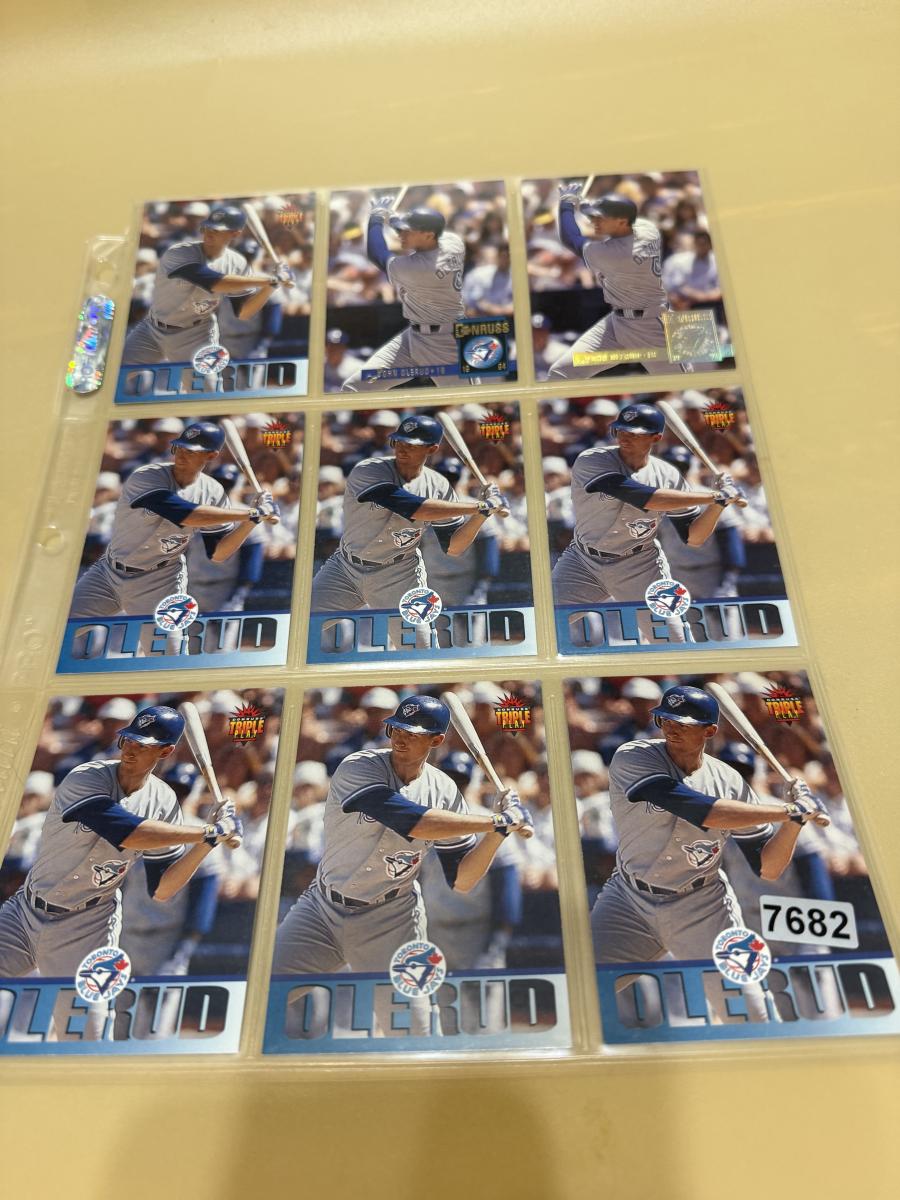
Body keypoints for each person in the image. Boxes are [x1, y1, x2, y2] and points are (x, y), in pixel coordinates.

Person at [271, 695, 533, 1035]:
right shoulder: (359, 766)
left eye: (413, 733)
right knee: (262, 991)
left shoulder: (444, 790)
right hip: (322, 910)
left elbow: (463, 880)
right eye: (397, 729)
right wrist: (493, 820)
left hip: (392, 920)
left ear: (436, 741)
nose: (400, 738)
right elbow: (413, 821)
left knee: (416, 1030)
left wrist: (499, 833)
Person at [0, 707, 242, 1037]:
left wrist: (207, 844)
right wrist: (207, 831)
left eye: (143, 745)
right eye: (129, 740)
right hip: (27, 910)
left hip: (89, 927)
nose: (130, 749)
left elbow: (163, 889)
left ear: (165, 752)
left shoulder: (164, 802)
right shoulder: (87, 776)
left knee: (90, 1032)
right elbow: (129, 832)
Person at [591, 685, 829, 1017]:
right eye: (665, 719)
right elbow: (702, 810)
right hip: (629, 899)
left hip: (703, 907)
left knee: (754, 1012)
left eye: (683, 723)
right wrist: (786, 810)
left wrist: (795, 822)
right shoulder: (635, 755)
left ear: (710, 731)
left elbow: (769, 868)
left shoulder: (730, 782)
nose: (671, 728)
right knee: (580, 988)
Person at [549, 403, 746, 641]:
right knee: (543, 622)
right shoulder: (592, 459)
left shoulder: (668, 475)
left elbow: (694, 538)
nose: (625, 438)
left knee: (677, 640)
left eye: (635, 433)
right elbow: (644, 497)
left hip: (641, 566)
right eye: (621, 430)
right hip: (583, 561)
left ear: (656, 437)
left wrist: (719, 505)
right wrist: (713, 496)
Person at [69, 421, 279, 620]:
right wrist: (252, 512)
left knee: (169, 643)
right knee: (64, 626)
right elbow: (188, 515)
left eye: (191, 451)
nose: (181, 455)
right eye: (180, 448)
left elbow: (218, 553)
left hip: (162, 579)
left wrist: (252, 522)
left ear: (211, 455)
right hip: (110, 572)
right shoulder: (148, 476)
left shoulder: (213, 492)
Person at [310, 413, 508, 615]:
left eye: (412, 445)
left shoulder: (439, 487)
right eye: (399, 442)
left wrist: (482, 514)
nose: (402, 449)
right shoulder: (370, 470)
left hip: (400, 574)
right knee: (306, 620)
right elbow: (416, 508)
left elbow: (454, 547)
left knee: (420, 633)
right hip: (347, 567)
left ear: (431, 449)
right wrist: (479, 506)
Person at [546, 189, 696, 380]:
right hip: (617, 323)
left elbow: (571, 238)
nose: (594, 221)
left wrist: (566, 204)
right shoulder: (647, 230)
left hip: (651, 326)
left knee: (686, 383)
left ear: (622, 222)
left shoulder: (616, 253)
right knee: (561, 373)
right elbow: (612, 220)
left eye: (600, 218)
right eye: (594, 217)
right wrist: (585, 206)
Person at [121, 205, 294, 367]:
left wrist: (271, 287)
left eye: (218, 230)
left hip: (196, 335)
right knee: (119, 373)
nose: (210, 233)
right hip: (155, 329)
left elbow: (244, 312)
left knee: (208, 386)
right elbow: (218, 282)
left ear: (234, 234)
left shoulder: (236, 263)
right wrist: (271, 279)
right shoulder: (181, 253)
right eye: (208, 228)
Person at [341, 203, 475, 391]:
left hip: (445, 344)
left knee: (467, 399)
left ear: (428, 235)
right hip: (413, 338)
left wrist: (376, 218)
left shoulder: (418, 268)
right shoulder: (453, 242)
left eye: (407, 231)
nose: (400, 234)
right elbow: (419, 233)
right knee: (354, 388)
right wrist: (394, 218)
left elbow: (377, 254)